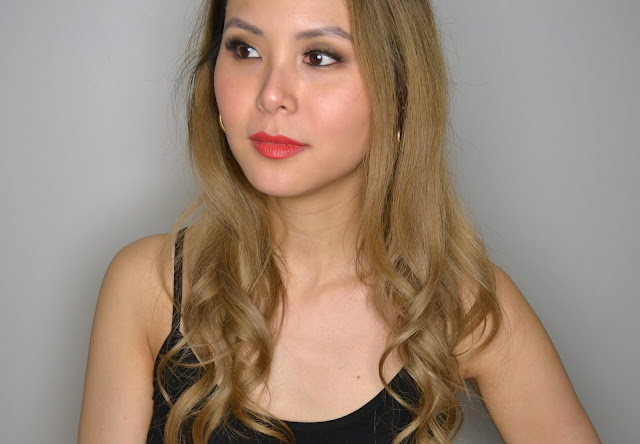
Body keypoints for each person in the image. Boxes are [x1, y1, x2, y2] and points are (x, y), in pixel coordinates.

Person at [78, 0, 601, 443]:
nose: (271, 94)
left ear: (398, 90)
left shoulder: (463, 305)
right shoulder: (147, 287)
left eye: (319, 57)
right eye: (244, 49)